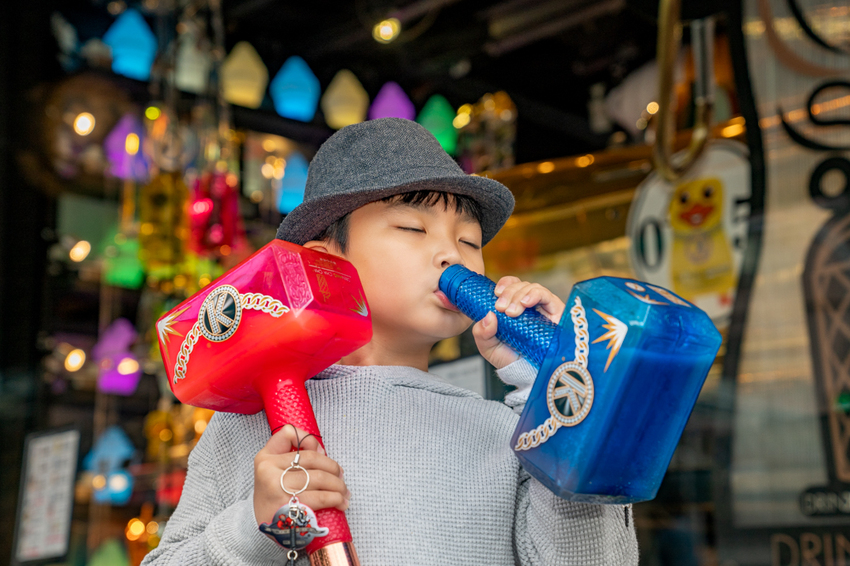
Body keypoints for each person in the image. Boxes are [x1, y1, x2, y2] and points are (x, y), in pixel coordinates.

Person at [142, 118, 638, 565]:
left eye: (469, 241)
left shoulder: (508, 431)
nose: (452, 254)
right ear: (326, 265)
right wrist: (254, 526)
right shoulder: (249, 425)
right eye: (412, 228)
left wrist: (552, 388)